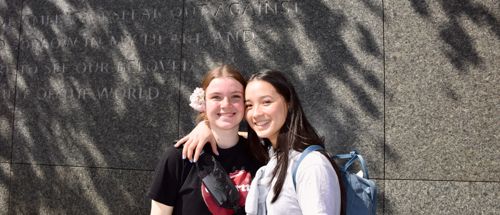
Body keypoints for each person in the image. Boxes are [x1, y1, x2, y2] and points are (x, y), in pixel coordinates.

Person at [176, 70, 344, 215]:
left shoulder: (312, 165)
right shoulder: (272, 156)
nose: (256, 113)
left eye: (266, 102)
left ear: (289, 102)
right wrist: (206, 126)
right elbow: (235, 134)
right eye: (249, 105)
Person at [148, 65, 266, 215]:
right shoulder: (180, 156)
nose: (226, 105)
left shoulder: (261, 155)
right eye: (216, 97)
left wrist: (205, 125)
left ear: (245, 104)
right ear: (204, 104)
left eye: (236, 96)